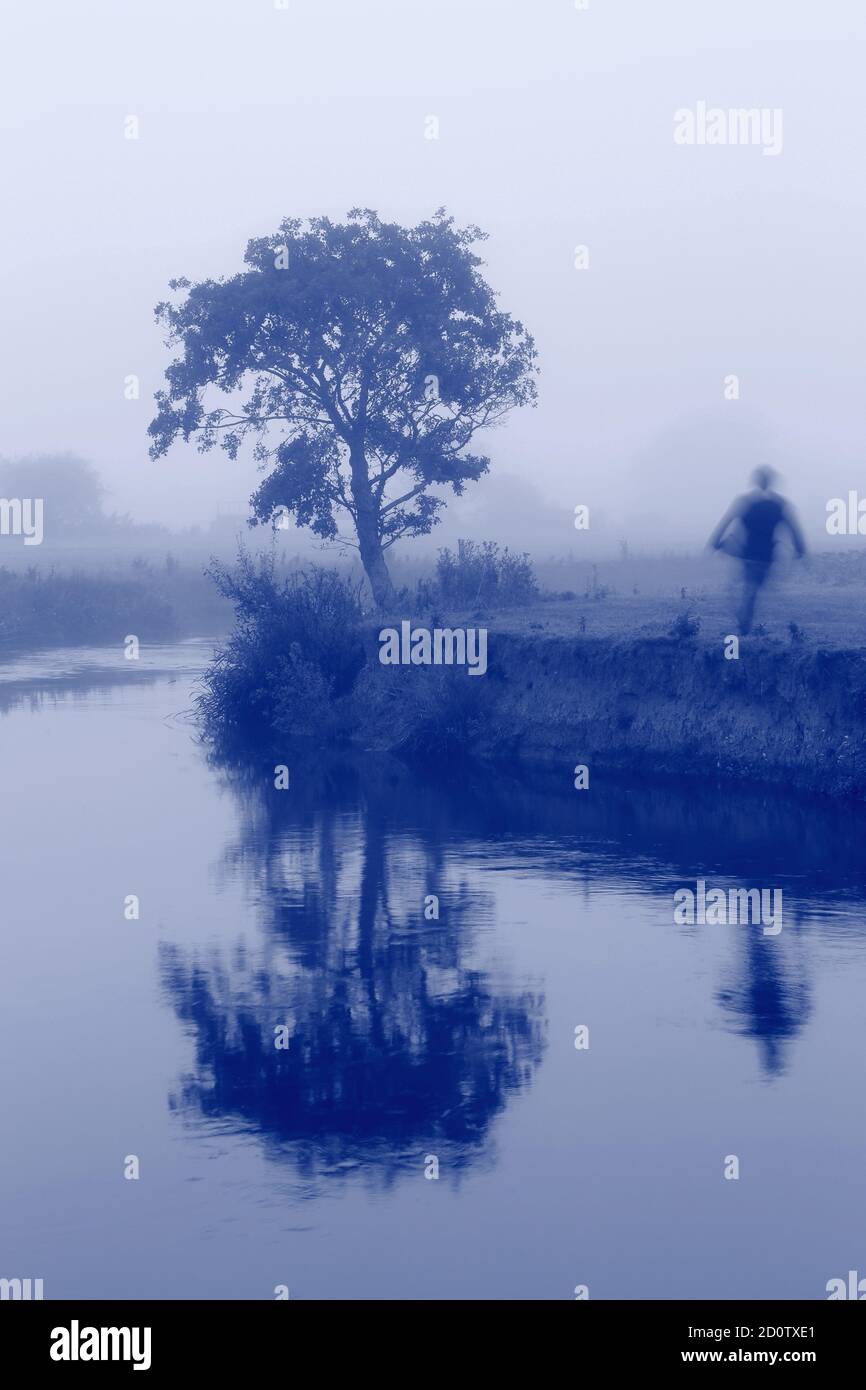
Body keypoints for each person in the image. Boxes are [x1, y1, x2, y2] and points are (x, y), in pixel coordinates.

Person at [708, 466, 806, 634]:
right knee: (752, 587)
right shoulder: (779, 504)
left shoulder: (745, 502)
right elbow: (794, 528)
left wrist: (715, 542)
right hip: (766, 555)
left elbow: (726, 522)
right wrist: (800, 549)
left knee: (749, 587)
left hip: (746, 553)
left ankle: (744, 618)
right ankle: (745, 619)